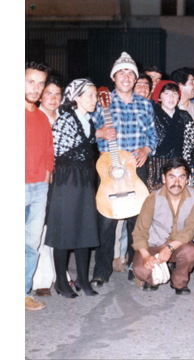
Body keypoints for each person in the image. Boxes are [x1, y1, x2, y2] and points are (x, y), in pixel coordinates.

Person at [91, 52, 157, 286]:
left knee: (136, 221)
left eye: (130, 72)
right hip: (110, 169)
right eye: (121, 72)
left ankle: (134, 265)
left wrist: (147, 150)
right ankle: (101, 269)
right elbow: (90, 133)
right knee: (106, 220)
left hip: (136, 168)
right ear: (113, 77)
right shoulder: (102, 102)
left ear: (136, 77)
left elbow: (152, 135)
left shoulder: (145, 104)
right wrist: (100, 134)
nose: (126, 76)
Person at [46, 79, 102, 298]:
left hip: (85, 179)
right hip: (67, 180)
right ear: (76, 97)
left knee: (85, 228)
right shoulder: (65, 120)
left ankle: (82, 279)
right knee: (65, 230)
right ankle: (61, 281)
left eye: (96, 96)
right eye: (90, 96)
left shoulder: (88, 120)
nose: (95, 100)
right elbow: (61, 152)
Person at [132, 158, 194, 294]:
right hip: (153, 244)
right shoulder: (152, 198)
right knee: (141, 270)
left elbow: (191, 228)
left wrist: (169, 248)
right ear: (164, 179)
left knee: (191, 251)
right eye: (172, 177)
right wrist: (146, 255)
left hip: (178, 245)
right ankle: (153, 280)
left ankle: (178, 282)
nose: (177, 183)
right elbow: (139, 231)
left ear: (187, 179)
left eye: (181, 177)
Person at [25, 61, 53, 311]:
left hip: (38, 190)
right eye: (30, 81)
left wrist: (43, 184)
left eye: (40, 83)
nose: (36, 88)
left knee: (31, 245)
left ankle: (21, 293)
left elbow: (48, 154)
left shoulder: (42, 119)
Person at [32, 77, 63, 297]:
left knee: (58, 226)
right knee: (40, 229)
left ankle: (58, 273)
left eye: (57, 94)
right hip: (42, 179)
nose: (53, 99)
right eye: (48, 93)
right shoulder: (35, 117)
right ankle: (41, 278)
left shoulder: (64, 118)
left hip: (64, 180)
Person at [147, 80, 193, 192]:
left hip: (179, 166)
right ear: (159, 97)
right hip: (156, 167)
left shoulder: (184, 116)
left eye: (175, 94)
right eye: (166, 93)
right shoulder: (151, 115)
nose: (171, 97)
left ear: (179, 98)